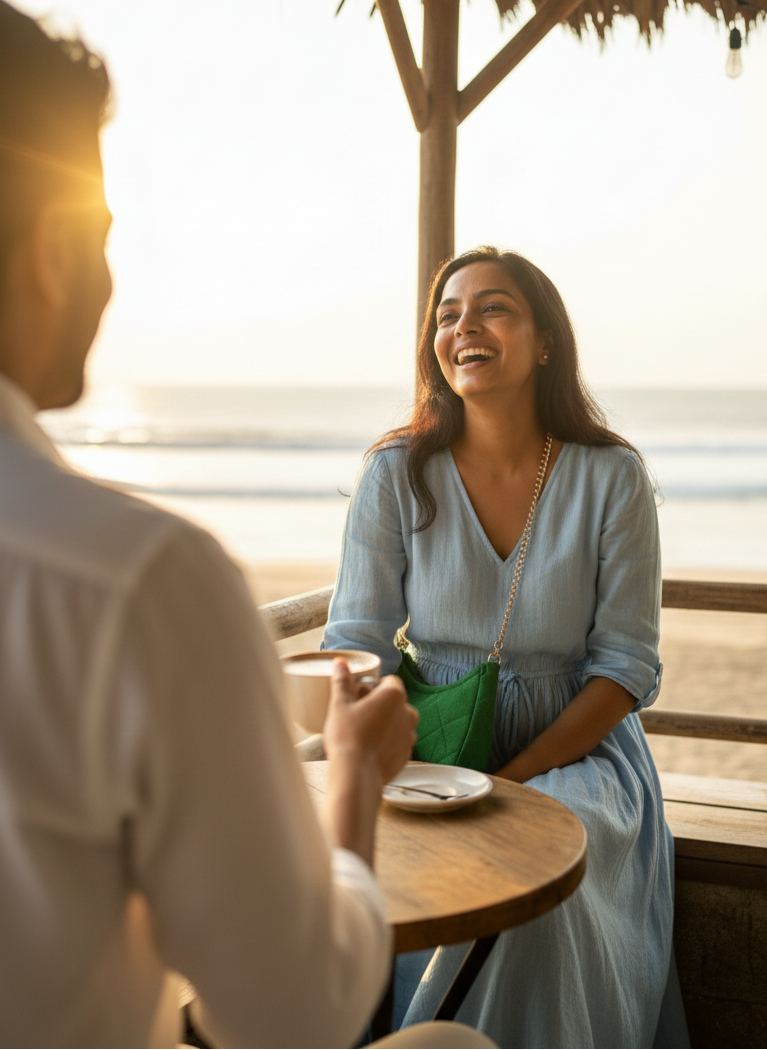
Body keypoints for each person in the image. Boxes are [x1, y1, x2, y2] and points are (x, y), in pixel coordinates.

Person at [0, 6, 501, 1048]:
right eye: (101, 234)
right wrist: (355, 780)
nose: (109, 277)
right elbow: (287, 1017)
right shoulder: (137, 584)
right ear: (52, 249)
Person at [323, 247, 691, 1048]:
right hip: (434, 745)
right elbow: (355, 641)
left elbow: (625, 666)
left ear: (544, 340)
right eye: (447, 314)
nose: (464, 327)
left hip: (581, 756)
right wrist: (384, 757)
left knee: (533, 898)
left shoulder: (611, 475)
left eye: (493, 308)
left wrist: (513, 779)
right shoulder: (396, 472)